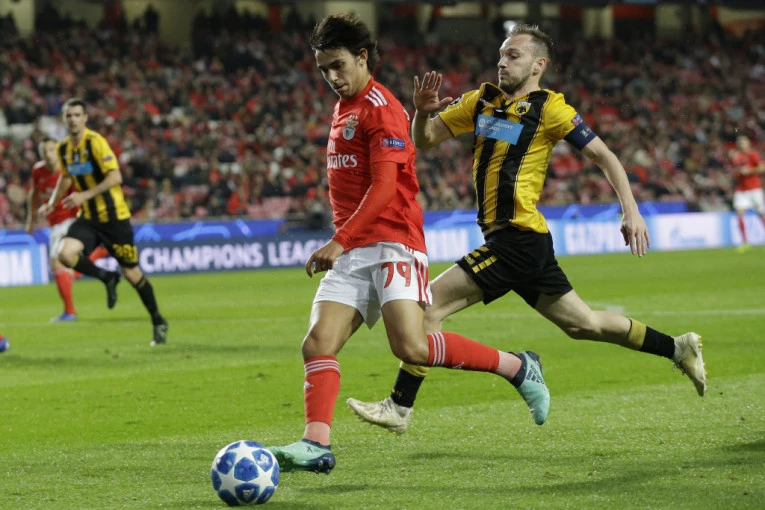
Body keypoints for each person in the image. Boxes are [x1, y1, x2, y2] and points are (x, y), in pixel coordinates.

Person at [347, 24, 706, 435]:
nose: (502, 62)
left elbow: (605, 156)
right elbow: (425, 140)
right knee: (584, 324)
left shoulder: (551, 108)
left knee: (427, 310)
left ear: (538, 65)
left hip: (517, 238)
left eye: (513, 55)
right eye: (501, 54)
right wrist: (424, 112)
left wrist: (631, 210)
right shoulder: (481, 100)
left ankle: (401, 405)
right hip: (520, 242)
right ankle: (676, 347)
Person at [267, 14, 553, 475]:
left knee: (412, 348)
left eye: (338, 66)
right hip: (354, 248)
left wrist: (339, 240)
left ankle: (517, 367)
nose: (332, 77)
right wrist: (345, 242)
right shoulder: (345, 107)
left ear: (363, 57)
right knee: (317, 343)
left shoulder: (382, 107)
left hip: (393, 241)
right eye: (323, 70)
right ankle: (316, 444)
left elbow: (384, 187)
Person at [39, 98, 168, 346]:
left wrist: (84, 195)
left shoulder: (96, 142)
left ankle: (158, 320)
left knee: (132, 273)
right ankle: (107, 277)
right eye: (69, 116)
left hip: (114, 218)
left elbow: (116, 177)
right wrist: (52, 203)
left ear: (85, 118)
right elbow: (66, 178)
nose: (73, 120)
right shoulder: (64, 149)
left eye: (77, 115)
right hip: (89, 217)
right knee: (65, 254)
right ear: (63, 119)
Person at [26, 137, 109, 322]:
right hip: (54, 222)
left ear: (57, 151)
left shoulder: (68, 170)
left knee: (57, 264)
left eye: (51, 150)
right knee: (66, 267)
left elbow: (81, 193)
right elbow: (34, 193)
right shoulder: (38, 170)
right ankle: (98, 254)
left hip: (70, 219)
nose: (48, 154)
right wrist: (30, 220)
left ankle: (70, 312)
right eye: (44, 151)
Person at [729, 135, 765, 253]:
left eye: (743, 142)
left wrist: (750, 171)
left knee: (761, 213)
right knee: (739, 213)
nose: (741, 145)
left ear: (748, 144)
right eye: (739, 143)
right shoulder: (736, 157)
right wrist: (737, 173)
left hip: (754, 188)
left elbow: (762, 168)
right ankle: (745, 242)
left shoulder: (753, 154)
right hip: (741, 189)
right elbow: (734, 172)